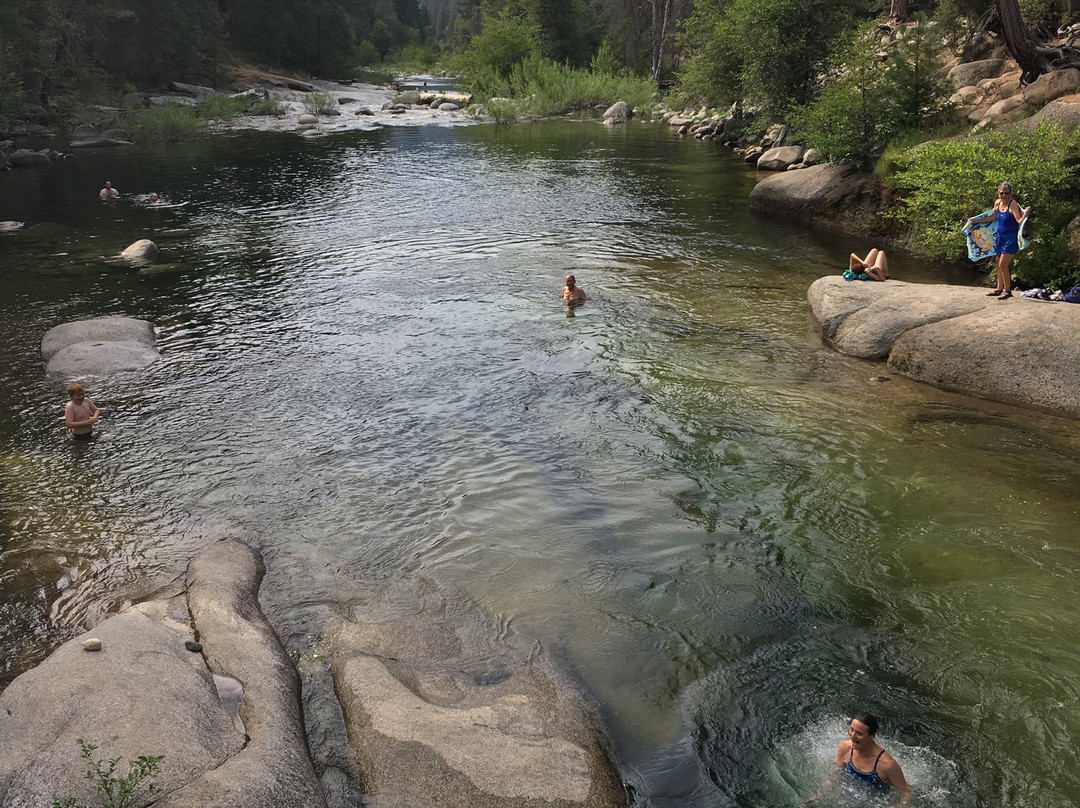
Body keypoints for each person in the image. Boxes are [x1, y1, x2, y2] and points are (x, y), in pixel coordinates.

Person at [804, 713, 912, 805]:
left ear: (872, 736)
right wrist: (818, 797)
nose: (853, 736)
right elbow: (835, 775)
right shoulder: (845, 748)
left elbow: (906, 791)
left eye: (859, 733)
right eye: (851, 729)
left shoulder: (887, 765)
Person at [968, 181, 1030, 300]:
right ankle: (999, 288)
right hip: (999, 237)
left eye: (1006, 193)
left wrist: (1025, 214)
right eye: (1002, 193)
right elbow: (993, 217)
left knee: (1003, 264)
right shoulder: (997, 203)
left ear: (1010, 194)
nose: (1004, 196)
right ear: (998, 194)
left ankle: (1007, 291)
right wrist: (976, 221)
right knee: (998, 263)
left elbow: (1019, 221)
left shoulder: (1012, 204)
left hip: (1010, 238)